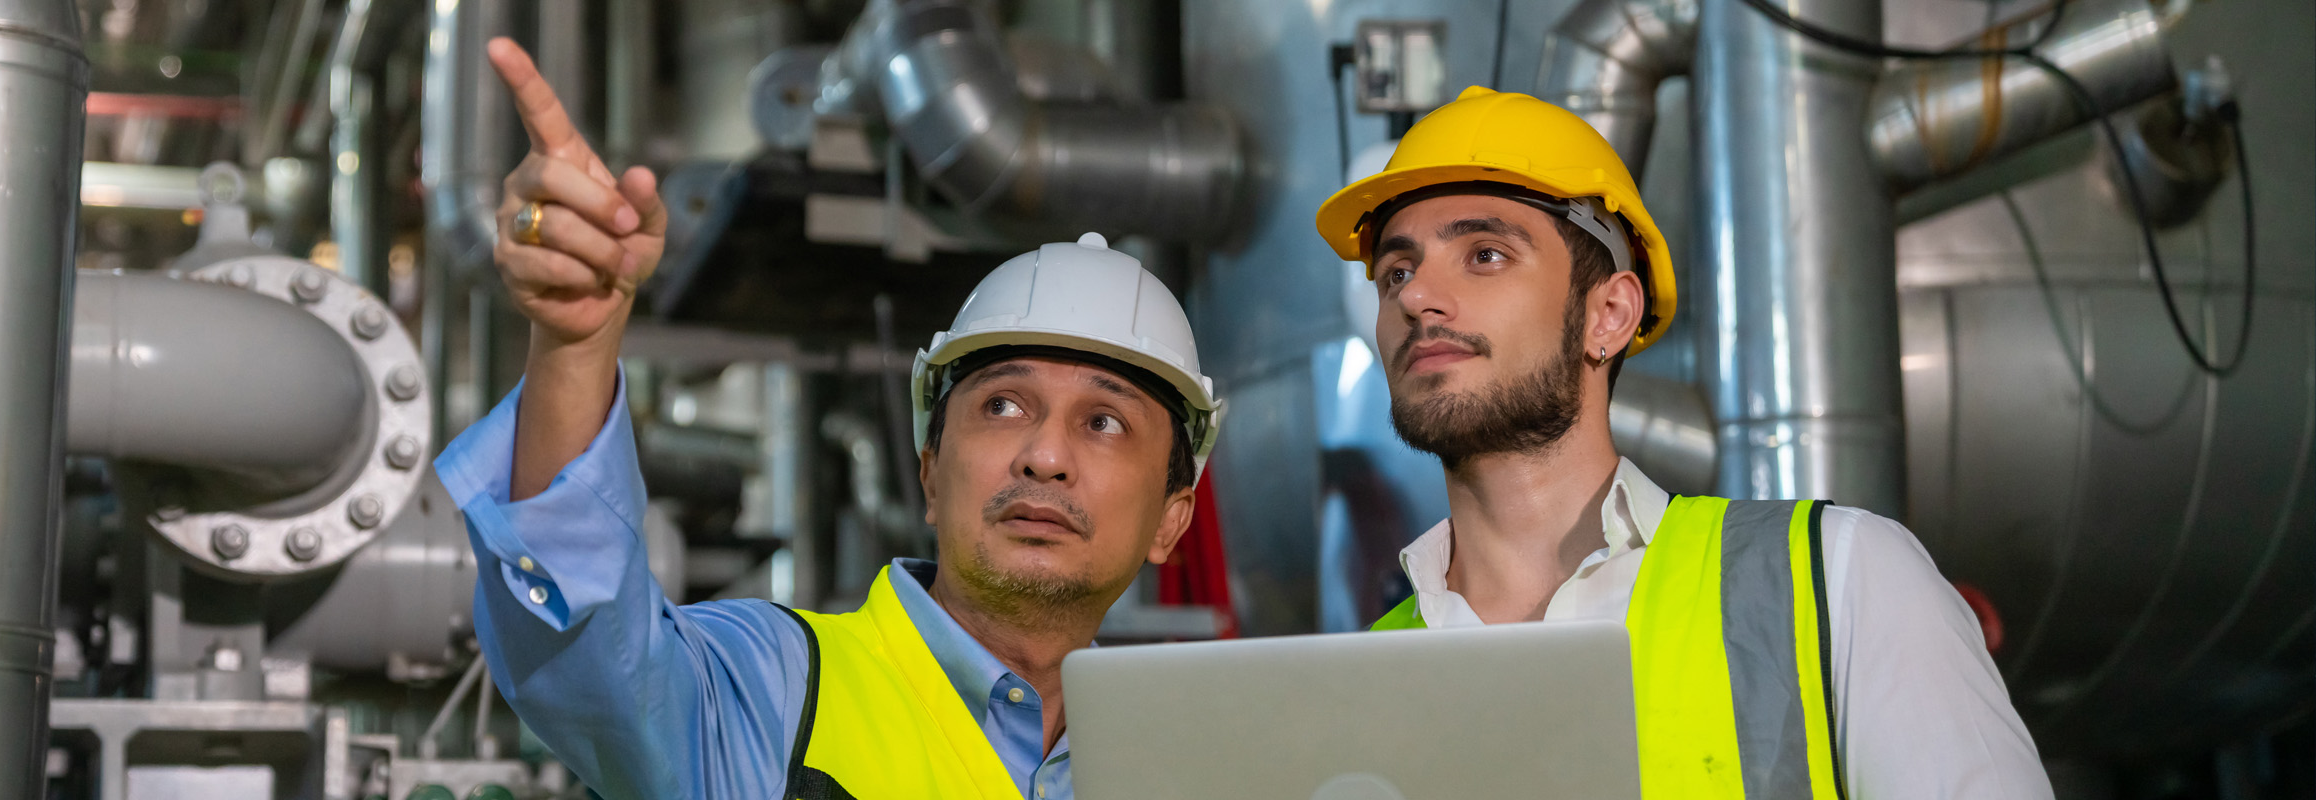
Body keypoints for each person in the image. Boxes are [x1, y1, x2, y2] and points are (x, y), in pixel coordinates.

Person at [435, 38, 1222, 799]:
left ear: (1171, 519)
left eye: (1105, 422)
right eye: (1003, 404)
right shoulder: (767, 693)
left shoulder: (1193, 766)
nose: (1044, 456)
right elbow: (589, 657)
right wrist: (576, 343)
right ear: (928, 472)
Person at [1312, 86, 2051, 799]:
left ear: (1609, 315)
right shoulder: (1354, 683)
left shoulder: (1840, 583)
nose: (1414, 296)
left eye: (1485, 254)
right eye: (1396, 271)